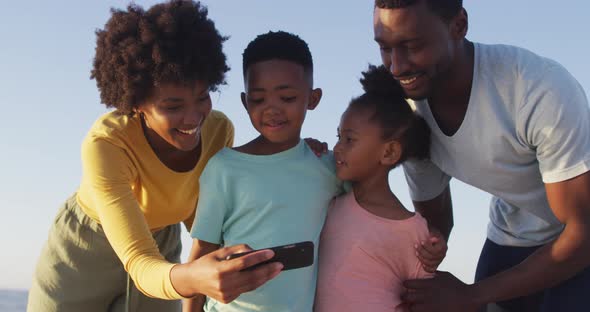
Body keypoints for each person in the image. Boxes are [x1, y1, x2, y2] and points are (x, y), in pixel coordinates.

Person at [27, 2, 282, 311]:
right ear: (136, 104)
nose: (193, 118)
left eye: (202, 97)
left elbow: (202, 218)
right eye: (173, 107)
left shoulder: (218, 130)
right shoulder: (107, 144)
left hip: (161, 244)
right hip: (84, 251)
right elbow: (138, 260)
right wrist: (193, 278)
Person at [371, 0, 590, 311]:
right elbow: (436, 224)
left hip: (578, 241)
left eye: (413, 45)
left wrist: (471, 294)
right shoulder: (410, 115)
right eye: (385, 48)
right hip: (512, 233)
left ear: (459, 26)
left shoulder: (538, 89)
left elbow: (583, 233)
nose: (397, 66)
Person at [183, 30, 346, 312]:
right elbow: (202, 254)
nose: (272, 110)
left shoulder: (329, 167)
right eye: (259, 100)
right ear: (246, 103)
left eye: (287, 98)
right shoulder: (224, 167)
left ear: (313, 98)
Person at [314, 65, 435, 312]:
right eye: (338, 137)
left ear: (389, 152)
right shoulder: (330, 201)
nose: (337, 147)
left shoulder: (414, 232)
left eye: (349, 139)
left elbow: (424, 299)